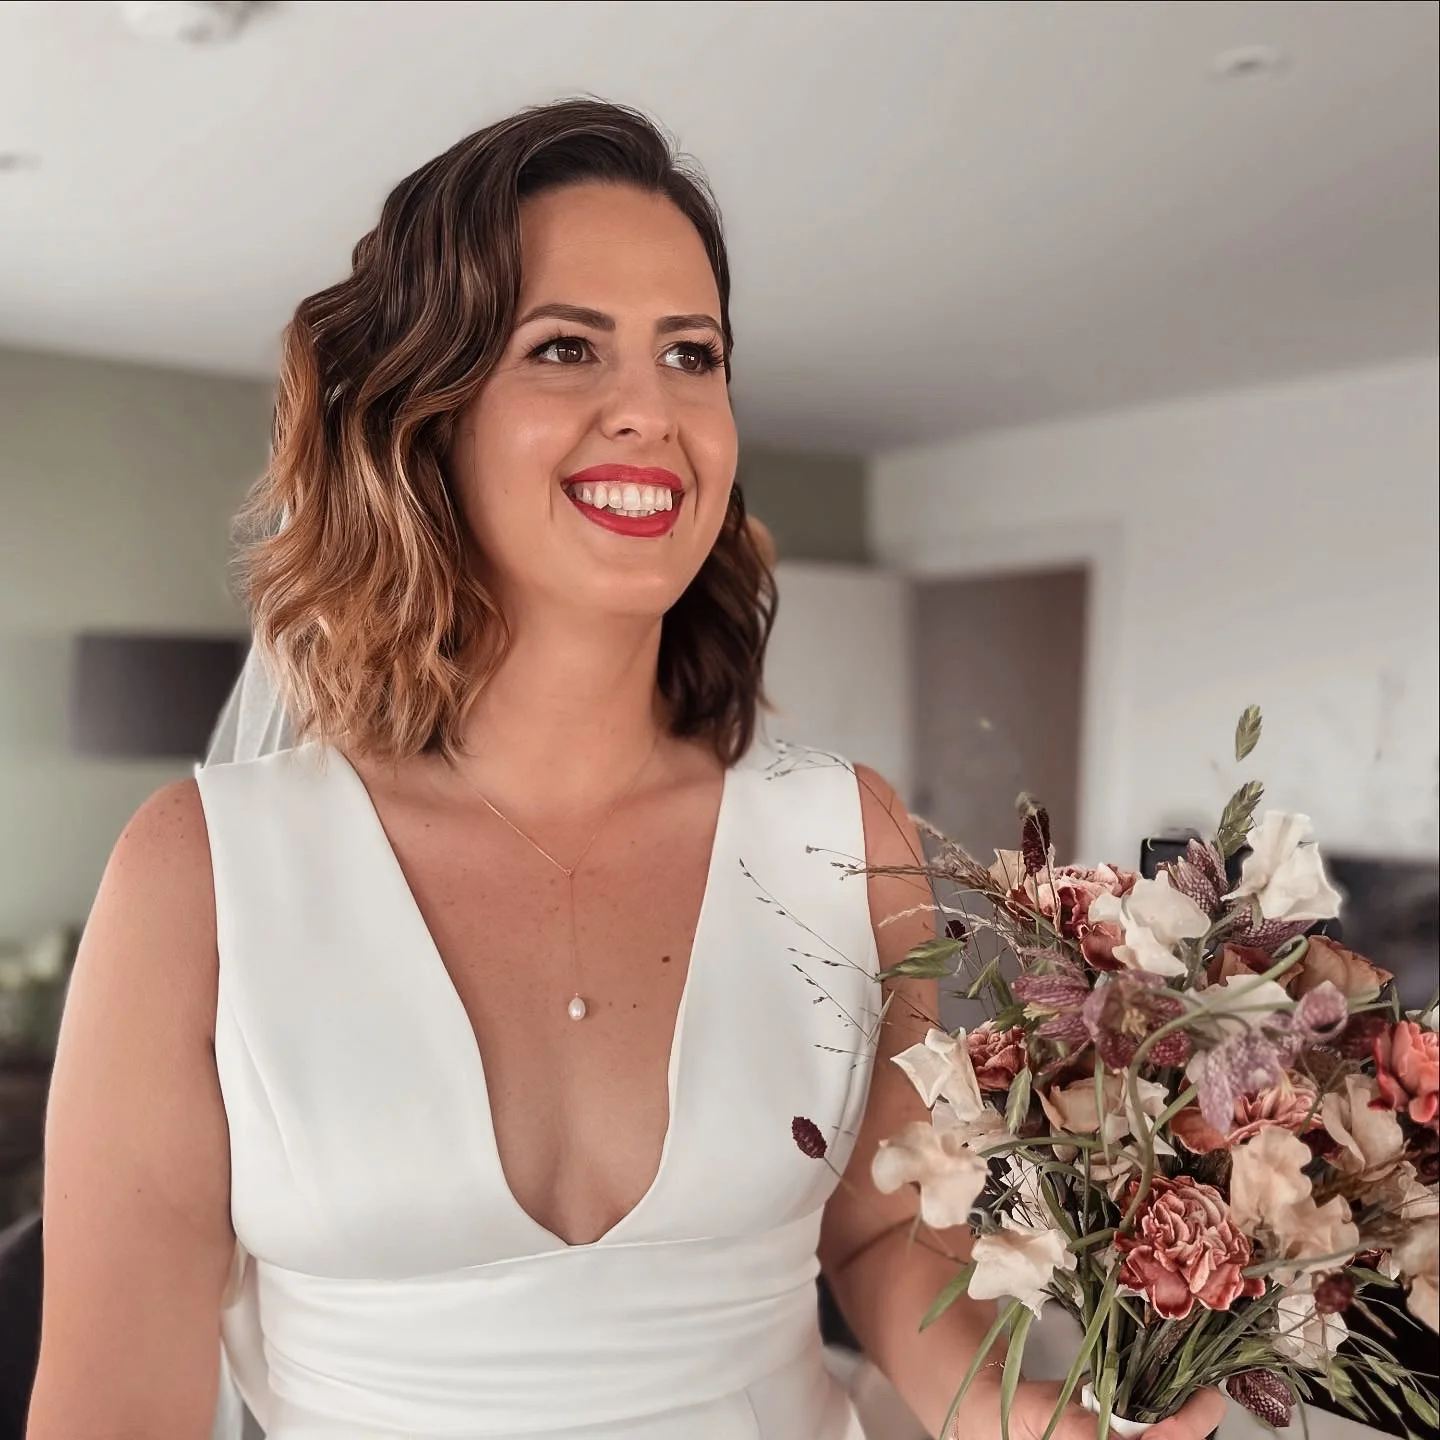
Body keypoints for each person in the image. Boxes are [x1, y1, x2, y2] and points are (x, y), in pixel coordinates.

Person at [28, 100, 1225, 1440]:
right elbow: (108, 1409)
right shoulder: (201, 876)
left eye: (691, 353)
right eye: (563, 347)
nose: (651, 411)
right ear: (428, 413)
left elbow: (888, 1232)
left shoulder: (845, 835)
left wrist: (1016, 1415)